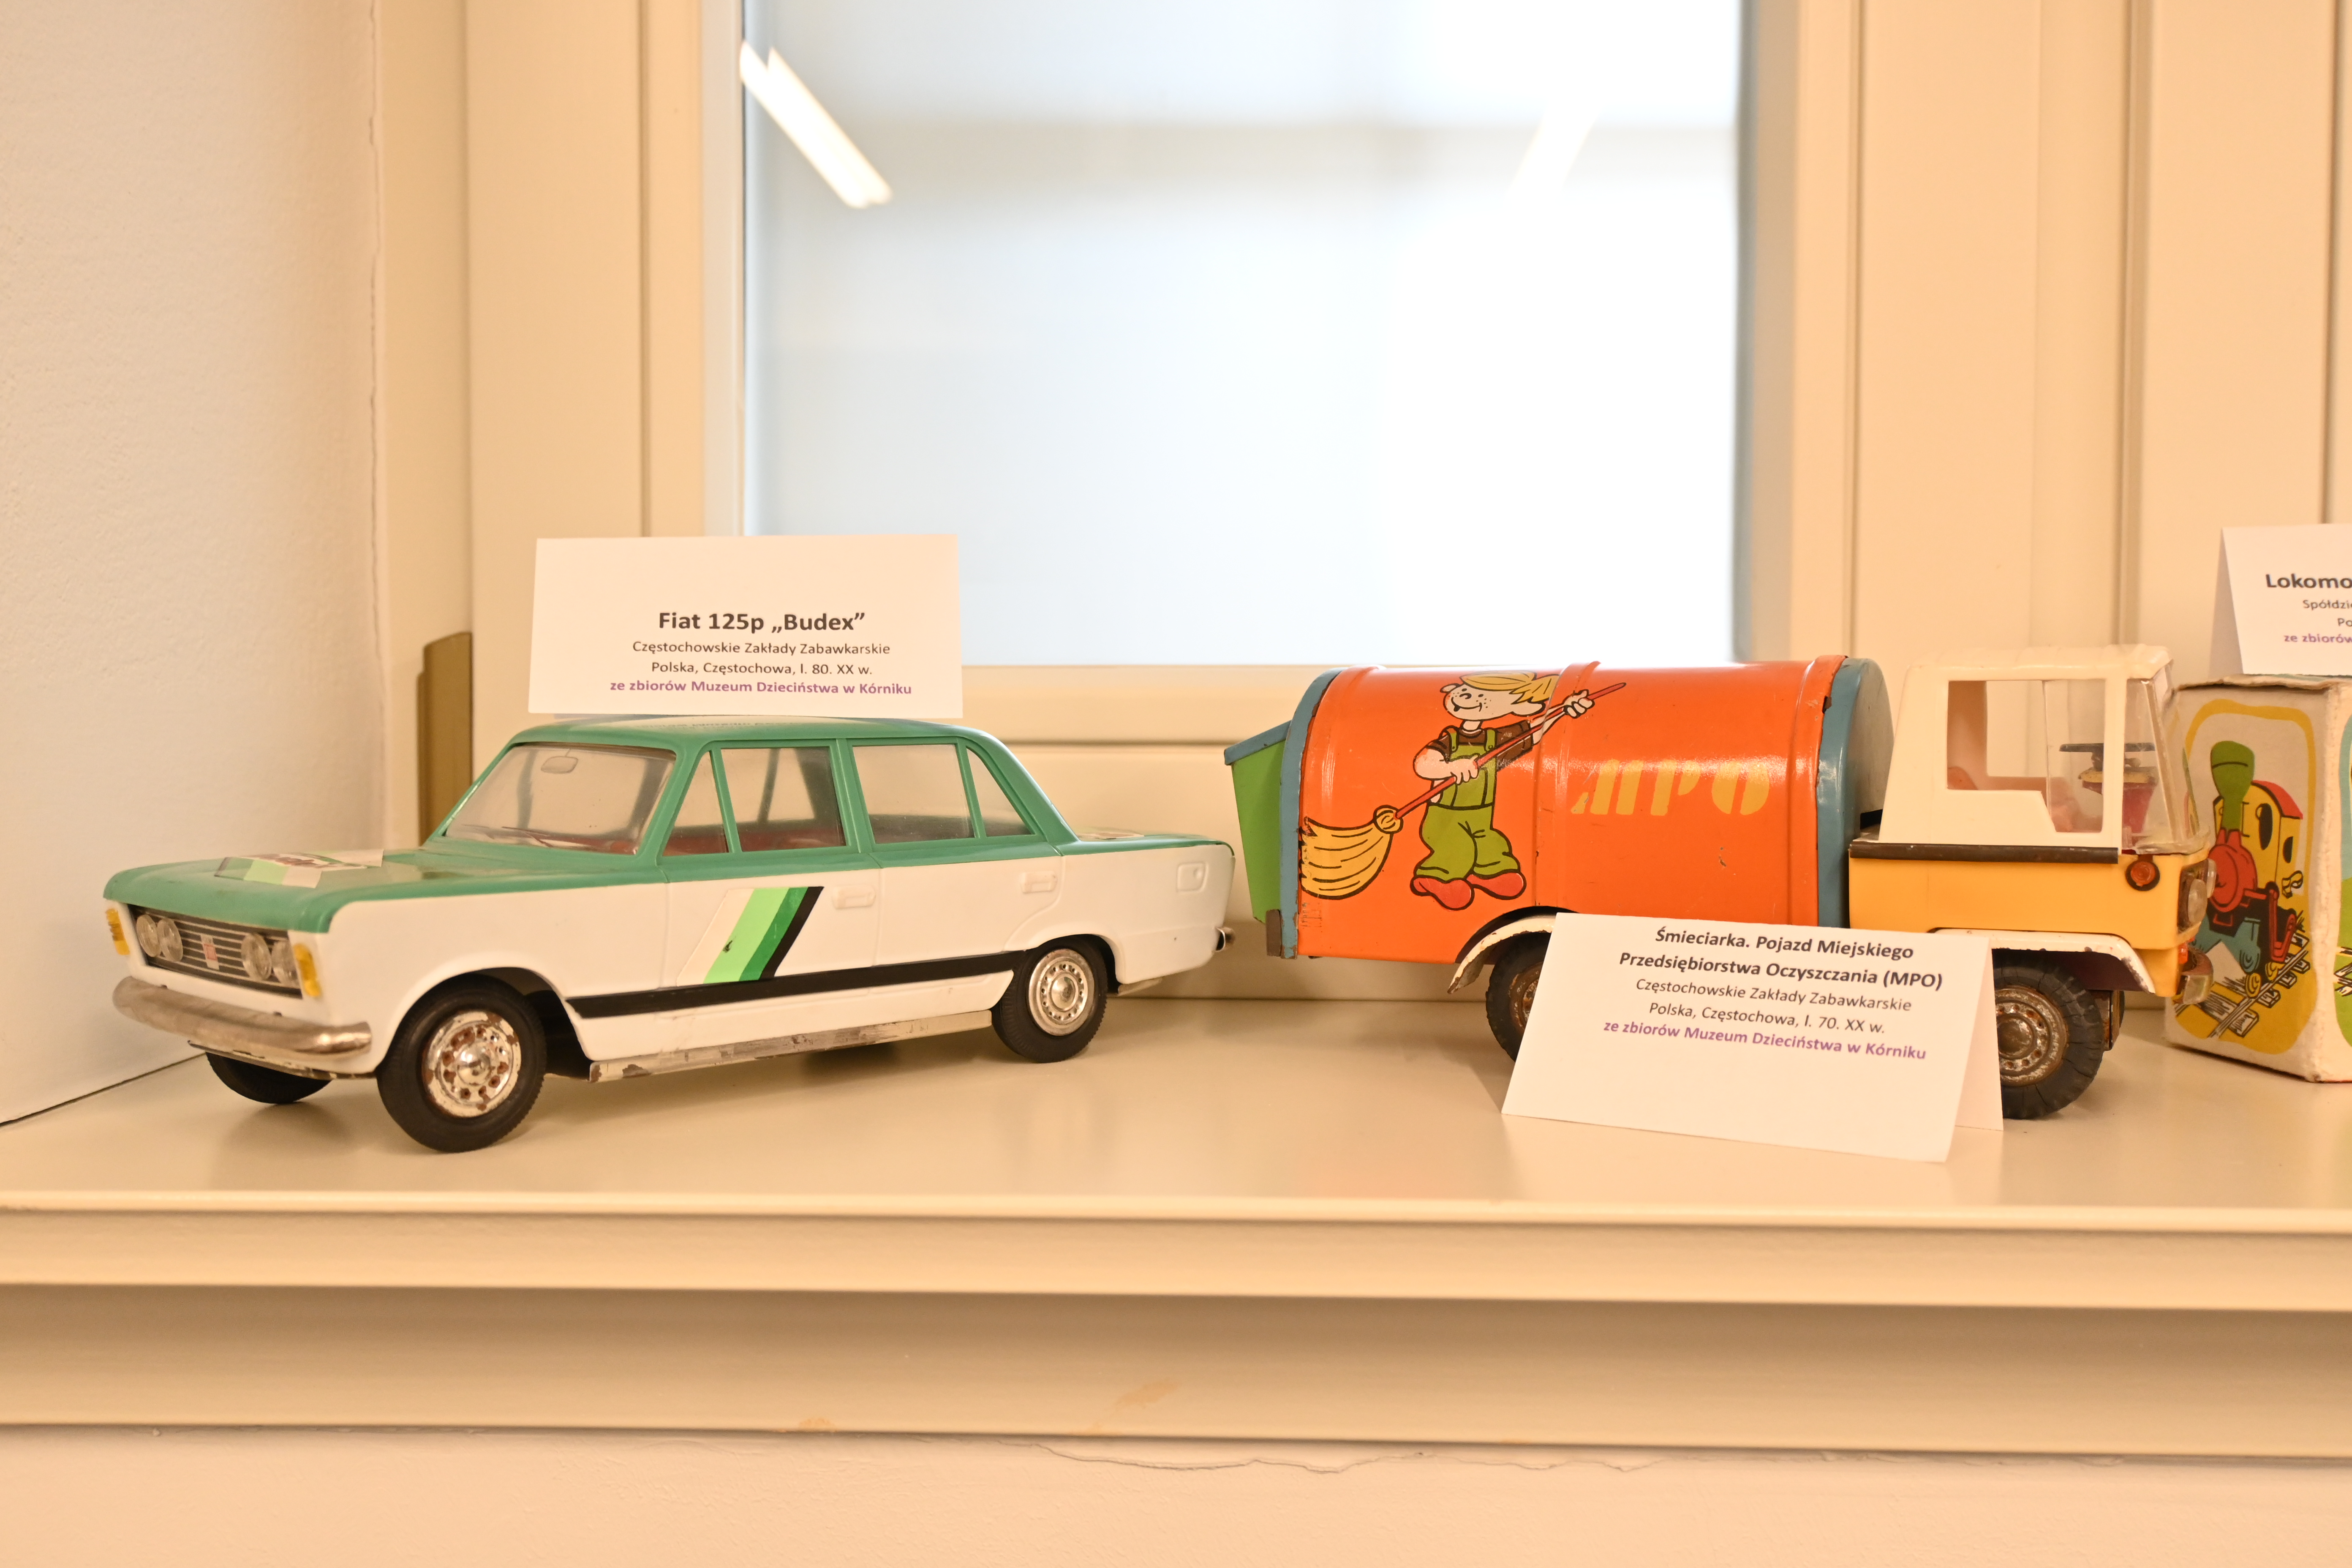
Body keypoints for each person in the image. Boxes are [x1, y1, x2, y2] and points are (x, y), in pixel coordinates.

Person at [1407, 672, 1591, 910]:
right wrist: (1450, 767)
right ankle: (1436, 878)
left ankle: (1489, 874)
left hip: (1481, 816)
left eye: (1483, 696)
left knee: (1492, 844)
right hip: (1445, 818)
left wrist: (1562, 710)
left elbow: (1533, 730)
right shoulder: (1450, 739)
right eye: (1466, 691)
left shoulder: (1494, 739)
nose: (1469, 698)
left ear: (1518, 707)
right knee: (1459, 847)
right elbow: (1423, 764)